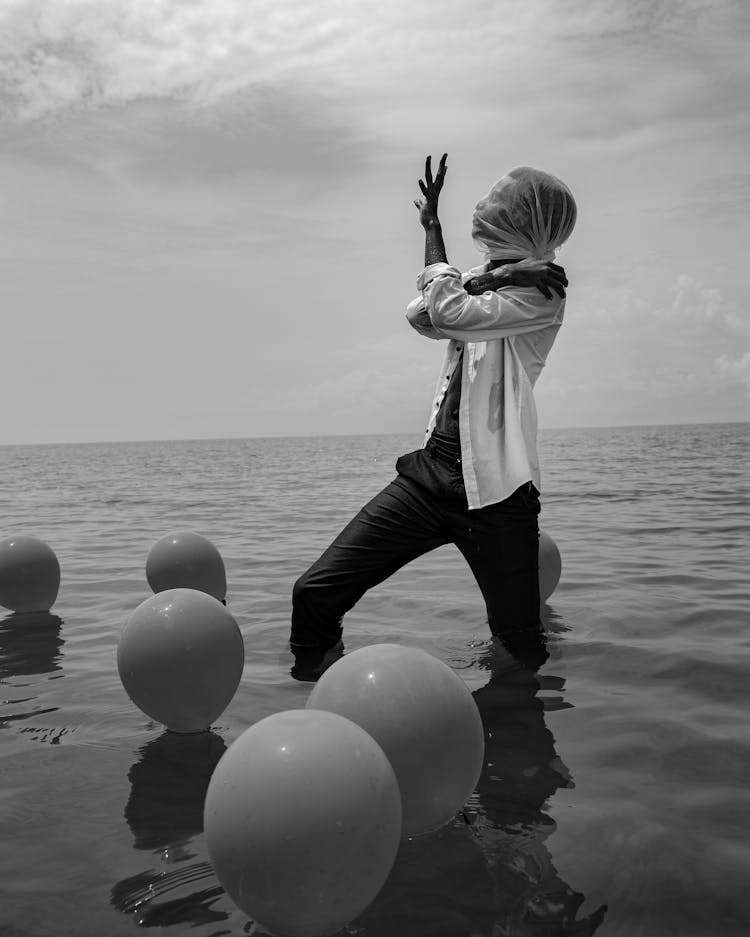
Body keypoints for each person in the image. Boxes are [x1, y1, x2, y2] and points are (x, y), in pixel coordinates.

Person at [289, 154, 577, 681]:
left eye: (504, 206)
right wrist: (494, 274)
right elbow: (419, 314)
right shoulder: (503, 279)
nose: (489, 210)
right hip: (432, 474)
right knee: (314, 592)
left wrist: (451, 247)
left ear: (529, 221)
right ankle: (312, 704)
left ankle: (523, 748)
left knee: (520, 643)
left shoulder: (544, 289)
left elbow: (444, 311)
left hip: (497, 493)